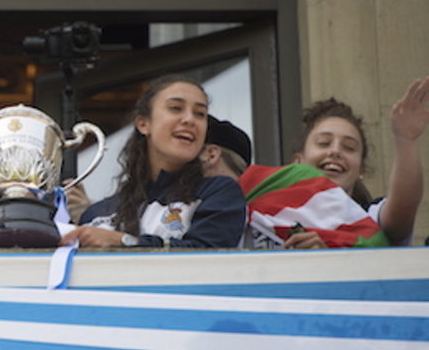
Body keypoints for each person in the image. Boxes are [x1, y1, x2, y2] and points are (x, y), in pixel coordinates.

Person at [62, 74, 246, 249]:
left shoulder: (219, 193)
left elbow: (208, 258)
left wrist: (126, 242)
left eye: (200, 113)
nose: (190, 119)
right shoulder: (97, 214)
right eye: (175, 108)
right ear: (143, 124)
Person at [290, 77, 428, 246]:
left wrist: (406, 140)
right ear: (297, 161)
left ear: (361, 170)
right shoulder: (268, 216)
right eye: (324, 143)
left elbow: (404, 206)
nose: (335, 151)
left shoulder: (369, 222)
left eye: (349, 147)